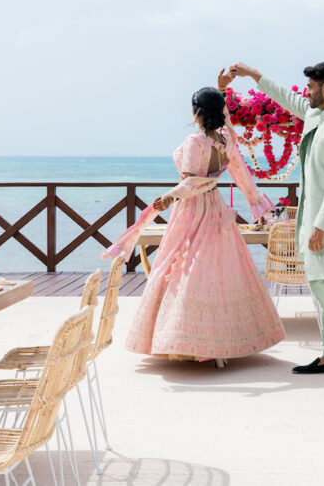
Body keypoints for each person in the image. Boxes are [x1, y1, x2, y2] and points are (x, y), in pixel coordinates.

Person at [229, 61, 324, 382]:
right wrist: (254, 75)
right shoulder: (317, 114)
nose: (307, 93)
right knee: (323, 283)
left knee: (323, 282)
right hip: (315, 216)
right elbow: (286, 97)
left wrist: (322, 225)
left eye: (312, 87)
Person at [122, 70, 285, 363]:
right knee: (215, 271)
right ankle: (221, 340)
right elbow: (238, 173)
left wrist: (171, 196)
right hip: (216, 208)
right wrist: (258, 205)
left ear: (197, 112)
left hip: (192, 208)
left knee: (181, 266)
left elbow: (191, 182)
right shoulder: (225, 139)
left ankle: (186, 341)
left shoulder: (196, 141)